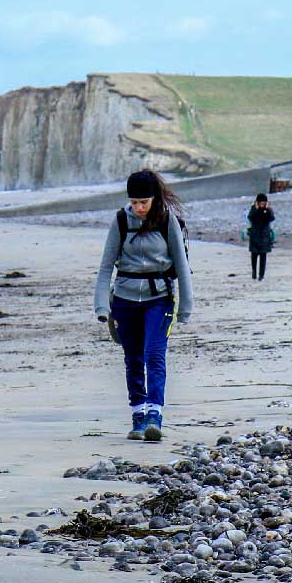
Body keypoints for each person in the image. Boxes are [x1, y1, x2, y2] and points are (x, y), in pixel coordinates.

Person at [95, 169, 192, 442]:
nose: (138, 208)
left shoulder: (167, 221)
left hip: (159, 298)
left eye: (144, 203)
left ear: (154, 199)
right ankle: (138, 417)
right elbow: (105, 267)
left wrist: (186, 306)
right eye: (134, 202)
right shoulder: (120, 221)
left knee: (154, 354)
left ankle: (154, 416)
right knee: (133, 357)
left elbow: (182, 267)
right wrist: (101, 306)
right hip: (125, 299)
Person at [246, 193, 276, 281]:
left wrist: (267, 209)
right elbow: (250, 217)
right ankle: (254, 272)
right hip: (255, 235)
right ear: (257, 202)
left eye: (264, 203)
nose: (262, 204)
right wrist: (256, 208)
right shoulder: (254, 209)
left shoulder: (268, 210)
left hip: (265, 236)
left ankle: (261, 275)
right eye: (261, 203)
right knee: (254, 256)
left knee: (263, 257)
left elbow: (271, 218)